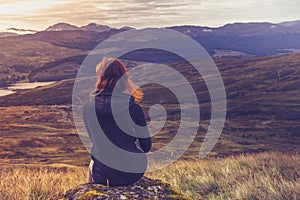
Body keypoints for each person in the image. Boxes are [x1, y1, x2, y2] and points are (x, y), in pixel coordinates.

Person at [83, 57, 152, 186]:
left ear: (100, 78)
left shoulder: (87, 107)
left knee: (96, 154)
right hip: (131, 174)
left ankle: (93, 190)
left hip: (101, 175)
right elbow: (146, 146)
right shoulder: (133, 108)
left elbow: (96, 141)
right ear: (124, 79)